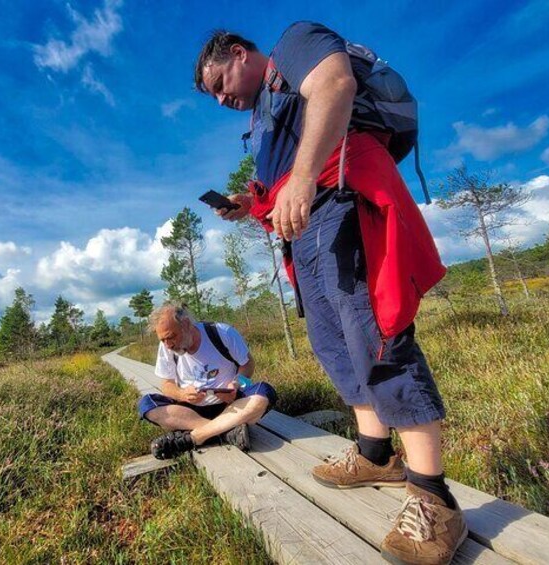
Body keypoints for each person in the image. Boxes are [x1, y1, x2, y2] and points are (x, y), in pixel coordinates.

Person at [194, 22, 466, 565]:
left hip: (341, 197)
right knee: (334, 344)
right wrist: (246, 205)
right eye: (215, 96)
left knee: (376, 334)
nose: (221, 98)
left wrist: (302, 177)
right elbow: (277, 187)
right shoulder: (264, 113)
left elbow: (336, 85)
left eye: (219, 82)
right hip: (304, 227)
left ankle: (434, 497)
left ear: (240, 54)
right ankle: (374, 454)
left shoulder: (295, 44)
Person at [138, 303, 277, 460]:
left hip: (231, 406)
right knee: (147, 404)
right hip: (190, 412)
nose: (168, 345)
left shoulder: (222, 333)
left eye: (171, 337)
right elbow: (167, 385)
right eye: (162, 340)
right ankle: (225, 432)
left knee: (264, 392)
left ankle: (193, 438)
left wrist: (236, 384)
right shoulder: (166, 347)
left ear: (186, 324)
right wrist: (182, 394)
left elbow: (248, 364)